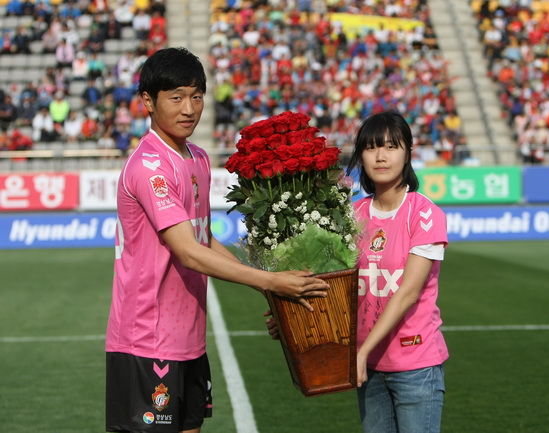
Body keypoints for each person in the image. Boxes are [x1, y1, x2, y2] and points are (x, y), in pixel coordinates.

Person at [105, 47, 329, 433]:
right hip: (146, 341)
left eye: (196, 96)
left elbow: (202, 237)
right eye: (176, 97)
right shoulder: (149, 167)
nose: (189, 109)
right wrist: (271, 281)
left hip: (189, 340)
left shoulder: (198, 158)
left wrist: (269, 289)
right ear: (148, 101)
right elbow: (188, 253)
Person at [264, 111, 449, 433]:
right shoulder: (352, 215)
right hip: (368, 364)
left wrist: (361, 352)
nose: (381, 156)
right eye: (371, 147)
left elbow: (407, 293)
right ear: (360, 155)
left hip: (415, 365)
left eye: (391, 146)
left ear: (408, 153)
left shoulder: (424, 214)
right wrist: (290, 317)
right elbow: (335, 286)